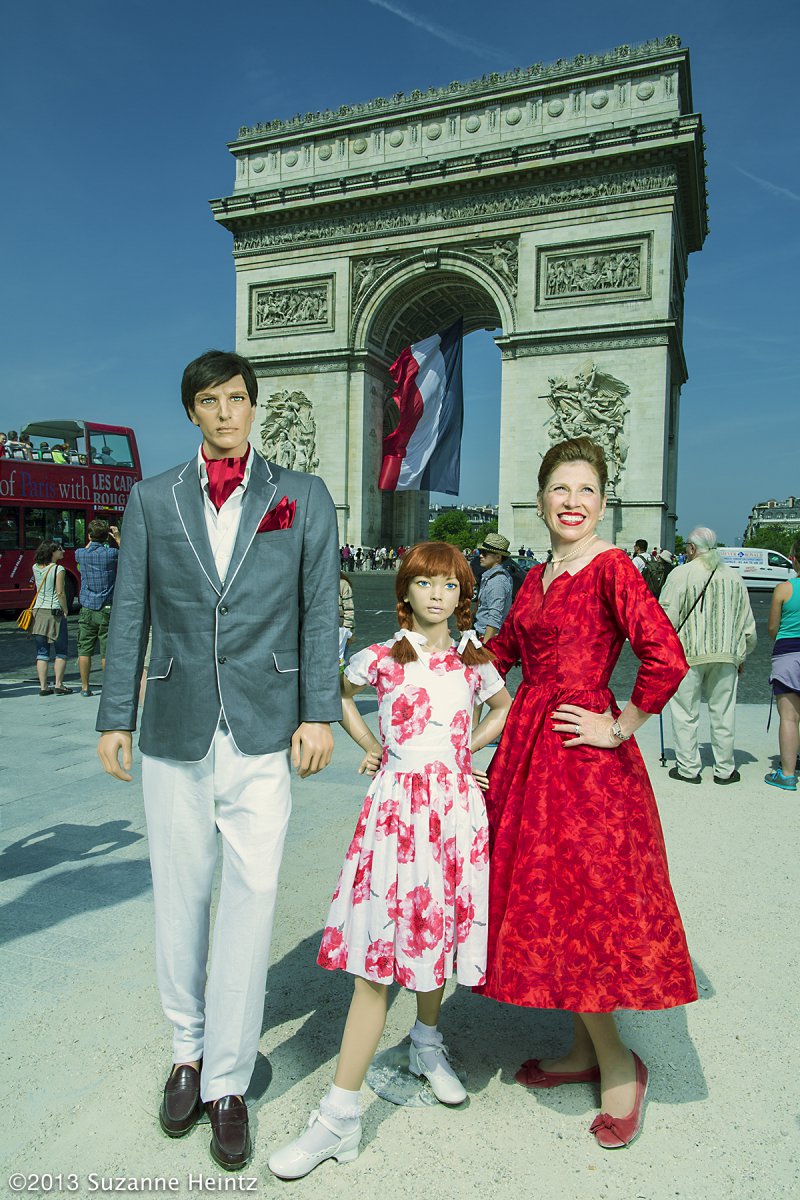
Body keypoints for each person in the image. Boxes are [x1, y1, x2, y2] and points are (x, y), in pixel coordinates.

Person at [95, 349, 341, 1171]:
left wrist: (317, 711)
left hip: (268, 728)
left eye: (238, 398)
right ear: (192, 413)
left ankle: (230, 1081)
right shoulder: (150, 497)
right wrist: (112, 715)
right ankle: (188, 1053)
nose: (227, 411)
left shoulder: (302, 497)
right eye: (211, 401)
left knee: (253, 900)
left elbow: (315, 612)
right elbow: (131, 606)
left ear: (253, 405)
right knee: (181, 896)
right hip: (173, 723)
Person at [478, 436, 696, 1150]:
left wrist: (621, 724)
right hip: (531, 755)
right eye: (560, 490)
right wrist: (422, 657)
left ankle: (620, 1066)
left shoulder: (611, 568)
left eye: (587, 492)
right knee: (557, 905)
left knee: (582, 908)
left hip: (583, 766)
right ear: (539, 500)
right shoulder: (539, 575)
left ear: (603, 503)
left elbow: (666, 655)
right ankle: (580, 1051)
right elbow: (499, 656)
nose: (573, 503)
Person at [267, 541, 512, 1180]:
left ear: (464, 596)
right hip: (397, 810)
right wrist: (374, 744)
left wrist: (464, 756)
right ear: (406, 592)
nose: (439, 594)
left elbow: (503, 710)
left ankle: (427, 1042)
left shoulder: (474, 658)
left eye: (451, 585)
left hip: (455, 810)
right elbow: (333, 692)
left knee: (438, 939)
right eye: (427, 583)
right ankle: (338, 1118)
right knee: (376, 964)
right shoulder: (379, 656)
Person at [660, 527, 757, 785]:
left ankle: (688, 768)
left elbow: (666, 618)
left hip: (687, 654)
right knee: (723, 713)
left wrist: (660, 653)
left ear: (691, 548)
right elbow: (747, 624)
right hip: (725, 654)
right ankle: (725, 769)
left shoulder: (680, 574)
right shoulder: (734, 578)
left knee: (684, 712)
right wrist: (742, 655)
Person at [765, 538, 800, 790]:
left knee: (789, 717)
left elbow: (773, 628)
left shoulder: (783, 589)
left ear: (794, 559)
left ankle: (787, 774)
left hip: (788, 653)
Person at [75, 519, 120, 697]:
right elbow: (130, 555)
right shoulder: (111, 555)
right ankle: (107, 687)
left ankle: (85, 687)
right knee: (106, 651)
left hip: (86, 606)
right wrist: (117, 538)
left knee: (84, 649)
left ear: (89, 535)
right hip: (106, 606)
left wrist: (92, 538)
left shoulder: (80, 554)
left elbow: (87, 548)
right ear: (106, 536)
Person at [30, 541, 73, 695]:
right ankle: (59, 684)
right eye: (60, 549)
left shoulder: (35, 567)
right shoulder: (58, 569)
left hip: (38, 611)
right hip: (54, 612)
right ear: (52, 552)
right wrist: (66, 609)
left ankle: (43, 687)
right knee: (61, 650)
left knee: (42, 652)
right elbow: (60, 593)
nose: (63, 551)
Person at [473, 532, 513, 642]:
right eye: (480, 552)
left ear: (498, 557)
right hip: (481, 634)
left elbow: (494, 616)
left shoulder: (497, 581)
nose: (480, 555)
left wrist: (486, 648)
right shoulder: (491, 577)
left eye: (485, 553)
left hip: (486, 638)